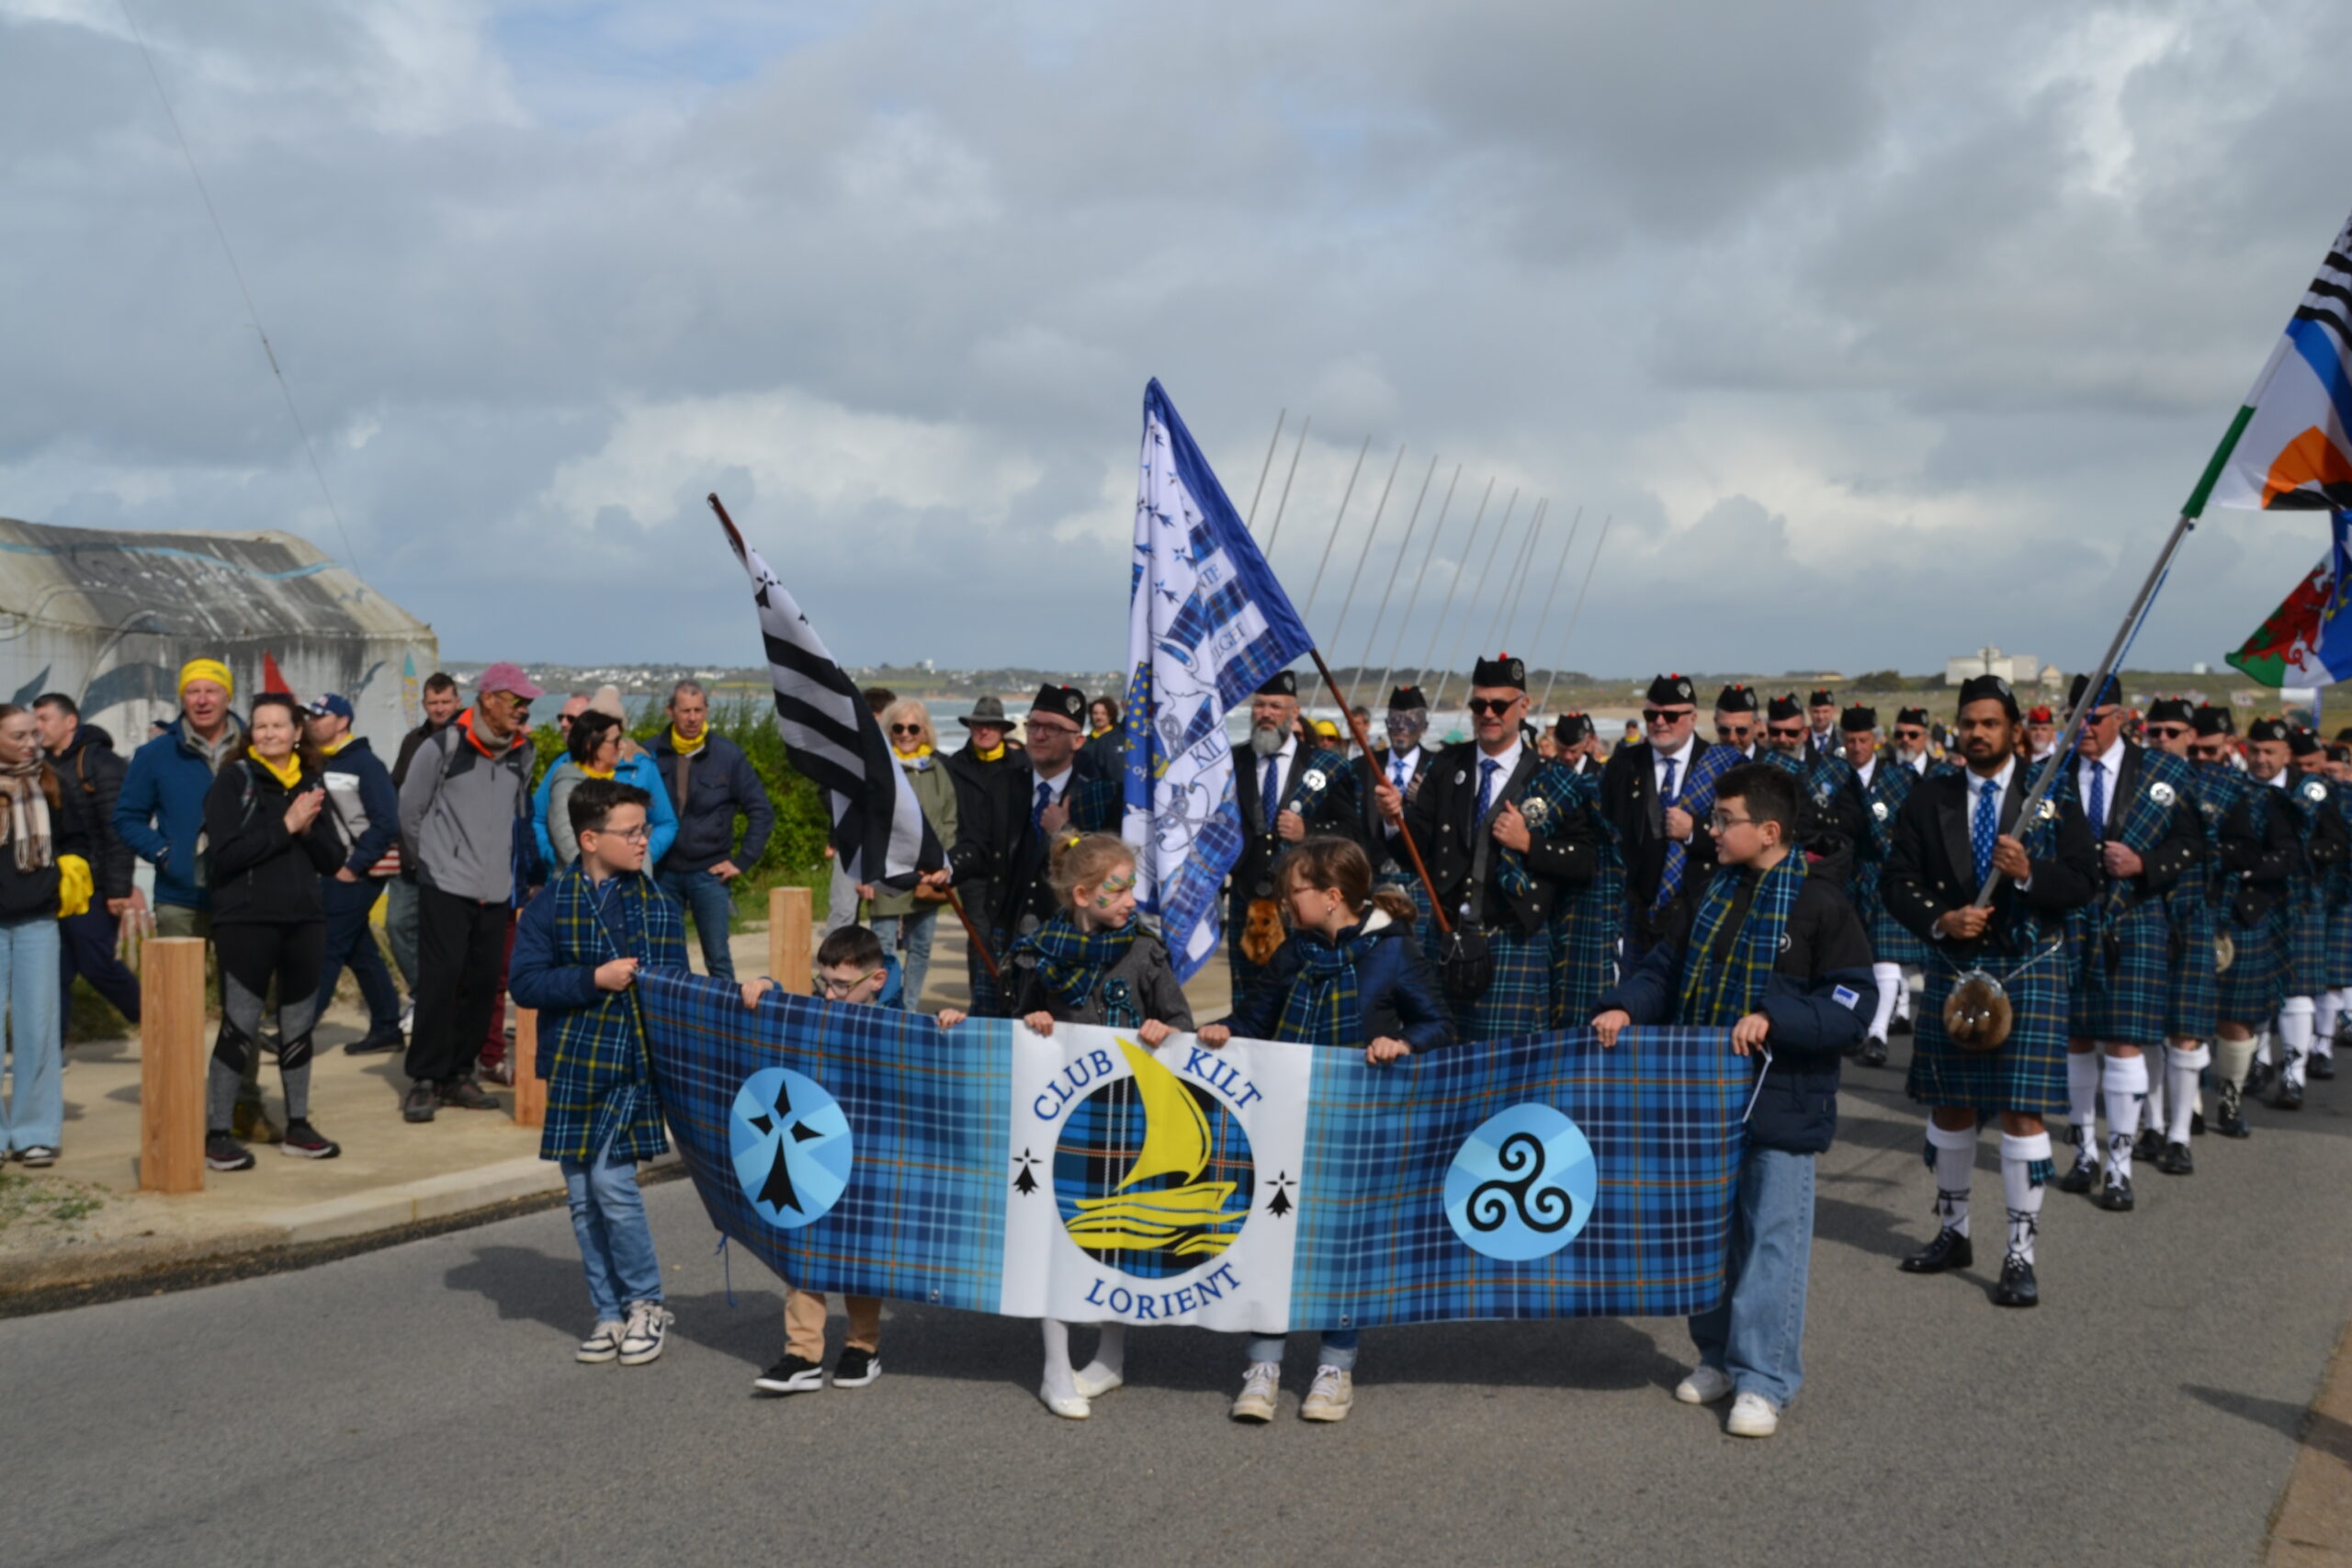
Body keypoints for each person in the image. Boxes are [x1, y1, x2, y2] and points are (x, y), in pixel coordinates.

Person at [1591, 761, 1871, 1438]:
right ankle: (1716, 1355)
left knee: (1771, 1240)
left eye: (1724, 820)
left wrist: (1777, 1017)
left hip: (1781, 1097)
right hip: (1701, 1094)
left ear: (1769, 831)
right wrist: (1627, 1005)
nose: (1710, 830)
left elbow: (1852, 1004)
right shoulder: (1709, 888)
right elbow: (1664, 969)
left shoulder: (1821, 904)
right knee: (1707, 1236)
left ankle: (1763, 1378)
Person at [1198, 835, 1453, 1423]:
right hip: (1283, 1118)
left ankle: (1335, 1368)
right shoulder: (1293, 952)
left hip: (1357, 1123)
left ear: (1333, 896)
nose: (1286, 902)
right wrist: (1223, 1030)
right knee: (1271, 1237)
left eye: (1296, 891)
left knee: (1343, 1244)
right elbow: (1253, 1019)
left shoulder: (1395, 951)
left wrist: (1403, 1042)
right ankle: (1263, 1366)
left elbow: (1439, 1024)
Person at [1883, 674, 2097, 1308]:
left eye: (1990, 723)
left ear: (2013, 730)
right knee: (1949, 1105)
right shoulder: (1930, 797)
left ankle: (2020, 1254)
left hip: (2029, 965)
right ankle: (1953, 1232)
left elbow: (2084, 882)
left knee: (2021, 1112)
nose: (1977, 733)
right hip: (1957, 962)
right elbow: (1895, 880)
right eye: (1969, 723)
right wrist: (1941, 919)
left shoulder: (2052, 792)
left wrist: (2029, 873)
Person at [990, 831, 1190, 1420]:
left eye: (1132, 888)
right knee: (1055, 1232)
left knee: (1117, 1235)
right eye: (1118, 889)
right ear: (1082, 894)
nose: (1131, 900)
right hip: (1062, 1123)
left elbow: (1180, 1019)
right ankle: (1055, 1367)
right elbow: (1014, 1019)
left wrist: (1165, 1030)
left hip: (1129, 1118)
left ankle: (1109, 1357)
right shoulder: (1039, 952)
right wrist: (1032, 1019)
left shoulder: (1145, 951)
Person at [508, 778, 690, 1369]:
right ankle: (609, 1313)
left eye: (644, 830)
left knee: (612, 1185)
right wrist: (594, 979)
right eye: (631, 832)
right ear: (589, 839)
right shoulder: (549, 904)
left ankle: (646, 1305)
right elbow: (525, 983)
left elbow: (680, 990)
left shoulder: (659, 904)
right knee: (583, 1197)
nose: (643, 841)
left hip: (634, 1062)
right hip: (573, 1062)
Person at [1376, 655, 1597, 1038]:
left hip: (1513, 941)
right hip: (1447, 937)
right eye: (1479, 705)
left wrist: (1529, 843)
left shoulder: (1550, 778)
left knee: (1509, 1066)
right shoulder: (1446, 767)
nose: (1488, 714)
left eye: (1499, 705)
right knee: (1438, 1055)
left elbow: (1586, 862)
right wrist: (1394, 821)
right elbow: (1416, 853)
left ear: (1523, 706)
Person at [2052, 675, 2205, 1210]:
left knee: (2123, 1042)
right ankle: (2084, 1154)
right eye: (2075, 718)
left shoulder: (2163, 771)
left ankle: (2119, 1168)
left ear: (2120, 717)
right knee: (2075, 1039)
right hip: (2071, 915)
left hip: (2134, 915)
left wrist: (2146, 863)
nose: (2084, 728)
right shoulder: (2051, 773)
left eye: (2094, 718)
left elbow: (2193, 841)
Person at [116, 659, 270, 1138]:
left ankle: (243, 1106)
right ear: (182, 698)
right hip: (181, 900)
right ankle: (177, 1111)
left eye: (211, 690)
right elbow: (127, 817)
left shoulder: (257, 748)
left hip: (243, 898)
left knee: (243, 1010)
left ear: (228, 696)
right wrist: (165, 853)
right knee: (176, 1010)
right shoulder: (156, 755)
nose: (202, 700)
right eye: (192, 691)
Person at [750, 923, 900, 1394]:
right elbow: (782, 1011)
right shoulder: (818, 1011)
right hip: (816, 1150)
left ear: (876, 981)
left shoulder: (901, 1023)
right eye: (824, 983)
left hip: (872, 1154)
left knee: (860, 1251)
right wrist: (767, 987)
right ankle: (802, 1354)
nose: (830, 995)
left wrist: (952, 1022)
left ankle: (862, 1346)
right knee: (804, 1243)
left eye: (841, 985)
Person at [201, 693, 346, 1169]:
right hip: (246, 921)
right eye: (260, 726)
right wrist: (286, 825)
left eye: (278, 726)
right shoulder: (234, 781)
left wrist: (307, 828)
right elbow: (224, 855)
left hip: (304, 920)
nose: (268, 734)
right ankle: (217, 1133)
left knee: (298, 1029)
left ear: (297, 733)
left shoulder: (310, 783)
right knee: (239, 1027)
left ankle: (298, 1125)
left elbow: (334, 859)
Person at [398, 660, 541, 1122]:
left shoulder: (523, 752)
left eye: (527, 702)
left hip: (496, 889)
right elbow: (410, 811)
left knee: (483, 986)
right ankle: (425, 1078)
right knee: (440, 982)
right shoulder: (444, 745)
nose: (524, 709)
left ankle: (460, 1074)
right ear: (489, 699)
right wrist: (432, 863)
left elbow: (518, 817)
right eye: (517, 701)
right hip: (445, 884)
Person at [945, 685, 1120, 1015]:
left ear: (1078, 741)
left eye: (1052, 728)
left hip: (1069, 940)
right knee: (992, 1029)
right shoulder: (1004, 784)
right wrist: (947, 866)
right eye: (1034, 725)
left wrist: (1064, 834)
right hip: (1005, 933)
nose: (1039, 735)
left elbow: (1108, 871)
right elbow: (979, 845)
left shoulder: (1100, 795)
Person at [1224, 671, 1354, 1004]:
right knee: (1248, 1002)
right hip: (1246, 900)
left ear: (1294, 712)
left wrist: (1307, 832)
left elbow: (1352, 832)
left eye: (1276, 706)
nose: (1266, 714)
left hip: (1304, 903)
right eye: (1259, 705)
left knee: (1299, 1001)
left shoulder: (1326, 765)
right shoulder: (1231, 761)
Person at [0, 705, 93, 1167]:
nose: (29, 743)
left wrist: (64, 876)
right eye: (18, 736)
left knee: (37, 1026)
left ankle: (35, 1133)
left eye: (33, 735)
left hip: (38, 920)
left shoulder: (52, 781)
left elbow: (77, 839)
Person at [2134, 697, 2220, 1173]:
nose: (2162, 740)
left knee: (2185, 1031)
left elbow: (2241, 848)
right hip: (2141, 914)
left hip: (2192, 916)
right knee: (2144, 1030)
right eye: (2155, 732)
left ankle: (2180, 1135)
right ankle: (2151, 1125)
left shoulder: (2215, 787)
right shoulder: (2130, 785)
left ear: (2191, 736)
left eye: (2172, 732)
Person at [2199, 710, 2290, 1138]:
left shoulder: (2259, 798)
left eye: (2209, 750)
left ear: (2226, 746)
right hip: (2185, 913)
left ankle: (2230, 1100)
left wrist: (2239, 871)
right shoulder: (2169, 788)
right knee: (2183, 1019)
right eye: (2195, 749)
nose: (2201, 758)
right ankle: (2188, 1106)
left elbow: (2287, 855)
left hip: (2240, 914)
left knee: (2236, 1019)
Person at [650, 680, 774, 983]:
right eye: (685, 711)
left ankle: (727, 1013)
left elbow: (761, 811)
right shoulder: (650, 753)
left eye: (698, 710)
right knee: (666, 955)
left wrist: (742, 861)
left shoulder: (728, 756)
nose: (692, 718)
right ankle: (676, 1011)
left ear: (706, 710)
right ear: (670, 711)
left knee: (717, 957)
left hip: (710, 873)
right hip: (662, 872)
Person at [303, 694, 407, 1057]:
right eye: (310, 716)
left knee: (328, 947)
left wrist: (354, 866)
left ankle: (297, 1029)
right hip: (334, 870)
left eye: (320, 716)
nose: (312, 722)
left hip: (356, 872)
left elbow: (387, 822)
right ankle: (387, 1027)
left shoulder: (365, 763)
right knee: (360, 952)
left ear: (343, 721)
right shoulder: (318, 762)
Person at [34, 694, 141, 1032]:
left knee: (97, 964)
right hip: (54, 886)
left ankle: (158, 1018)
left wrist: (118, 888)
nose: (37, 727)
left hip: (93, 885)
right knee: (56, 969)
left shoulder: (101, 763)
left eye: (44, 719)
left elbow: (118, 829)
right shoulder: (41, 766)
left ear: (70, 722)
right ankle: (51, 1049)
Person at [1601, 673, 1716, 956]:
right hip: (1635, 914)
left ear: (1693, 717)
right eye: (1651, 715)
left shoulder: (1718, 765)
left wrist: (1694, 831)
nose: (1660, 722)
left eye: (1671, 715)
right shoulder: (1623, 765)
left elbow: (1740, 835)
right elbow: (1604, 829)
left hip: (1698, 910)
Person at [2271, 725, 2349, 1110]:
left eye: (2313, 765)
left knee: (2315, 981)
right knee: (2255, 992)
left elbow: (2337, 843)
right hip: (2261, 896)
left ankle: (2312, 1055)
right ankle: (2260, 1061)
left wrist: (2303, 855)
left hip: (2316, 894)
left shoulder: (2323, 794)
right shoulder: (2250, 787)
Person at [863, 699, 957, 1006]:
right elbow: (867, 822)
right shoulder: (879, 770)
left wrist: (943, 862)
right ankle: (883, 1009)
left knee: (921, 946)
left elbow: (949, 818)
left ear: (924, 731)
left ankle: (910, 1008)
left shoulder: (936, 770)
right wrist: (866, 873)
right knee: (882, 948)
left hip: (928, 874)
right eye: (898, 727)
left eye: (913, 728)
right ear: (888, 731)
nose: (905, 734)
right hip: (889, 872)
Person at [386, 672, 463, 1003]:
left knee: (443, 936)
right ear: (424, 704)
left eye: (445, 702)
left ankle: (444, 999)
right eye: (433, 703)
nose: (440, 708)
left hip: (451, 861)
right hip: (410, 857)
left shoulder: (470, 743)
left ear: (457, 702)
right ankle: (425, 994)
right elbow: (396, 790)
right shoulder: (412, 741)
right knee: (397, 925)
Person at [944, 694, 1023, 1010]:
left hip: (1012, 867)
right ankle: (980, 1003)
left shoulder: (1021, 766)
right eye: (979, 725)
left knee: (1012, 935)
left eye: (991, 725)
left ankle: (1011, 1001)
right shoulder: (953, 767)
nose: (984, 731)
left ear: (1002, 730)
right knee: (980, 935)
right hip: (972, 868)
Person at [1546, 711, 1625, 1026]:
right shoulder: (1544, 775)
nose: (1567, 757)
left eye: (1574, 750)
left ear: (1590, 742)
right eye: (1562, 749)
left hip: (1594, 882)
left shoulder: (1603, 777)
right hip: (1552, 877)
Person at [822, 688, 899, 940]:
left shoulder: (899, 754)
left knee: (887, 915)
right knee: (843, 912)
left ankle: (876, 958)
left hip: (888, 844)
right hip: (850, 840)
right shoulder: (846, 752)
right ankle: (837, 957)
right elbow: (828, 793)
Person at [1713, 684, 1759, 760]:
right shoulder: (1705, 761)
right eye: (1724, 730)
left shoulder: (1770, 762)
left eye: (1741, 730)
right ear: (1716, 723)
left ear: (1756, 725)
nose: (1732, 738)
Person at [1083, 696, 1123, 778]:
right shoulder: (1085, 743)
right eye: (1095, 713)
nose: (1099, 717)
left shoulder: (1120, 739)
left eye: (1103, 713)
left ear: (1110, 716)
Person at [1804, 689, 1838, 761]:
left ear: (1834, 710)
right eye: (1816, 711)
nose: (1820, 717)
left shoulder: (1842, 737)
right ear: (1809, 710)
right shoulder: (1801, 736)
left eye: (1825, 711)